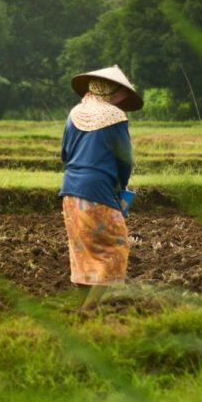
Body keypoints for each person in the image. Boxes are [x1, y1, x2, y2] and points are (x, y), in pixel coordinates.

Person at [59, 66, 143, 312]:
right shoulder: (115, 117)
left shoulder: (75, 113)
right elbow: (125, 160)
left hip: (70, 191)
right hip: (97, 191)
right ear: (115, 94)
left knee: (82, 250)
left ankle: (80, 309)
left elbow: (65, 153)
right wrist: (121, 187)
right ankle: (88, 310)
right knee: (115, 248)